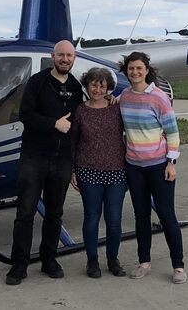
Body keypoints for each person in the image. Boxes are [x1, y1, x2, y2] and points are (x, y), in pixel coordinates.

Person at [5, 40, 84, 286]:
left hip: (61, 161)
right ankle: (19, 263)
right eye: (61, 55)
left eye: (69, 55)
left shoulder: (75, 87)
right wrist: (53, 124)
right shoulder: (37, 82)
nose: (65, 59)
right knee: (25, 212)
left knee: (55, 213)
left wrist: (73, 164)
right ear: (53, 56)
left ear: (74, 58)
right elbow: (26, 114)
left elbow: (79, 123)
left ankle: (50, 258)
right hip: (34, 157)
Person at [118, 51, 187, 284]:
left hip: (159, 166)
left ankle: (178, 266)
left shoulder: (158, 97)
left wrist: (171, 162)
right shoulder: (125, 97)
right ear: (126, 71)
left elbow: (172, 132)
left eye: (139, 68)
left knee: (167, 216)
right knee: (141, 216)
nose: (135, 72)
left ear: (147, 70)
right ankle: (144, 261)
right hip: (134, 166)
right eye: (131, 68)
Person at [70, 67, 127, 279]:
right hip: (88, 171)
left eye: (102, 85)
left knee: (113, 219)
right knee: (91, 217)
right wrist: (72, 170)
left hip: (116, 172)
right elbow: (73, 142)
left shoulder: (116, 108)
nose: (98, 89)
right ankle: (92, 260)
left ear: (108, 88)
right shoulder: (80, 111)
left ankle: (113, 259)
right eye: (94, 84)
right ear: (87, 85)